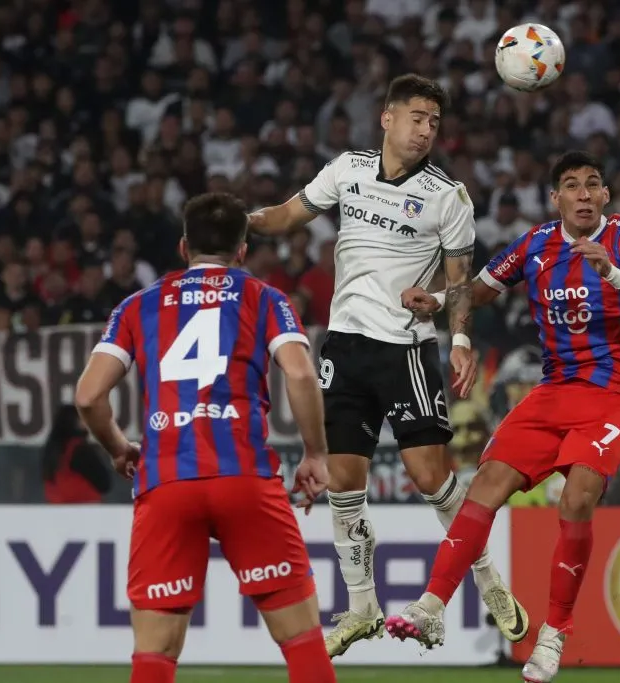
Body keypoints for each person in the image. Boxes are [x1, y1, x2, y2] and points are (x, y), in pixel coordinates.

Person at [248, 73, 526, 656]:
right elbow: (287, 215)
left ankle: (489, 581)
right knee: (343, 484)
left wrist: (460, 342)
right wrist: (234, 222)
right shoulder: (347, 169)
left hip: (406, 350)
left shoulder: (448, 197)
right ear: (387, 118)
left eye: (434, 121)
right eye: (417, 117)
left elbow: (460, 287)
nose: (425, 129)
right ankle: (360, 607)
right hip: (345, 349)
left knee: (431, 477)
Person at [387, 151, 620, 683]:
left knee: (578, 496)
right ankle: (431, 605)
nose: (584, 194)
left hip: (615, 394)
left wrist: (611, 273)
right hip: (554, 392)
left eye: (593, 185)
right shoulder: (537, 244)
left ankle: (553, 634)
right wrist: (434, 299)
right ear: (556, 199)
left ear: (606, 196)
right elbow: (478, 291)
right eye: (572, 186)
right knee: (486, 486)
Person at [74, 193, 336, 683]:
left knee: (155, 653)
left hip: (167, 480)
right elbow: (300, 375)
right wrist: (315, 454)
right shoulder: (264, 297)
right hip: (244, 477)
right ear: (242, 251)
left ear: (182, 247)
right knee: (302, 643)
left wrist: (118, 448)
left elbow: (88, 396)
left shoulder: (139, 305)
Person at [41, 403, 112, 504]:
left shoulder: (52, 450)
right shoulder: (80, 450)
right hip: (84, 508)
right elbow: (104, 484)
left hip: (55, 507)